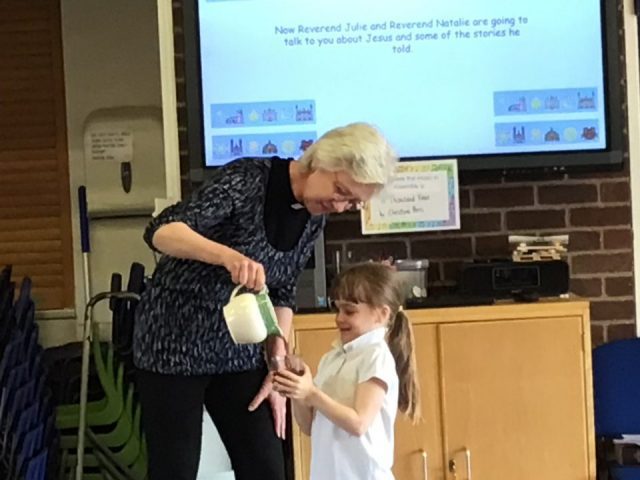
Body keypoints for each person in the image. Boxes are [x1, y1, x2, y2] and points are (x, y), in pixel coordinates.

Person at [133, 123, 398, 480]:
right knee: (175, 470)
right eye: (340, 190)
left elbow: (282, 291)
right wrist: (227, 257)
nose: (338, 206)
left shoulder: (313, 219)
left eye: (351, 203)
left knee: (266, 467)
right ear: (322, 161)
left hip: (239, 348)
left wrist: (277, 356)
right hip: (174, 342)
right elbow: (162, 230)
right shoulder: (248, 180)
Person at [274, 263, 421, 480]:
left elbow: (359, 423)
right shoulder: (332, 358)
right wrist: (297, 392)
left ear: (381, 314)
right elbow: (309, 426)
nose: (339, 318)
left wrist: (311, 393)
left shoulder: (376, 357)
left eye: (350, 311)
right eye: (338, 309)